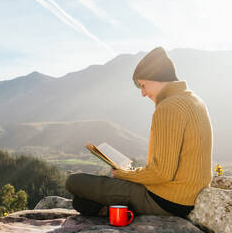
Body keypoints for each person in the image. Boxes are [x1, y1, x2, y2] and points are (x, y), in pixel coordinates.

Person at [65, 46, 213, 218]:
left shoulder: (169, 107)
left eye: (143, 85)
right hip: (186, 197)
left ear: (156, 77)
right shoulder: (195, 100)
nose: (143, 93)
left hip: (165, 200)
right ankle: (109, 209)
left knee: (74, 181)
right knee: (81, 204)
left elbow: (162, 173)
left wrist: (123, 173)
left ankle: (115, 208)